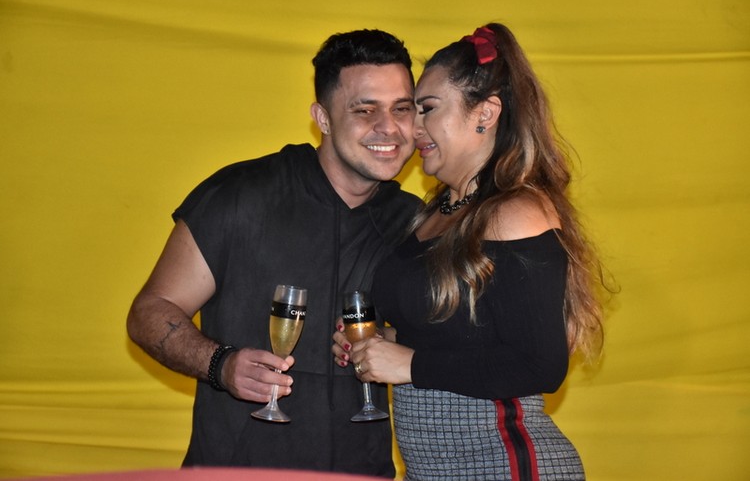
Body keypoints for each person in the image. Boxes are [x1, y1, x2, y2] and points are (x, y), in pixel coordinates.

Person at [127, 29, 422, 477]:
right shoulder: (241, 195)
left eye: (401, 108)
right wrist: (221, 364)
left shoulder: (416, 223)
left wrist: (391, 342)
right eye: (365, 110)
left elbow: (444, 348)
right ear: (322, 118)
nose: (389, 127)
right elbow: (149, 312)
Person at [333, 23, 607, 480]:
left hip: (503, 467)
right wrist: (381, 343)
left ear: (486, 113)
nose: (412, 127)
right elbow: (461, 335)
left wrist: (410, 364)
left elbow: (540, 365)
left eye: (428, 109)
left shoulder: (516, 213)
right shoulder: (437, 211)